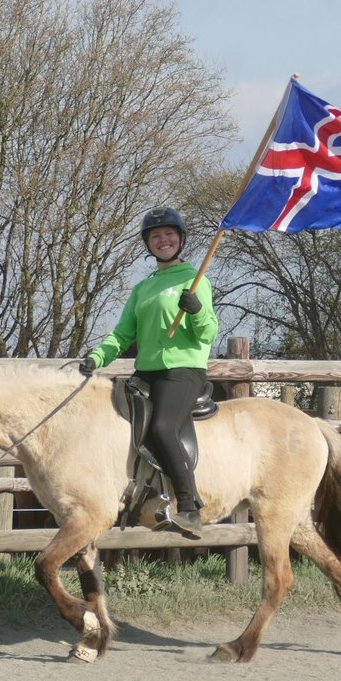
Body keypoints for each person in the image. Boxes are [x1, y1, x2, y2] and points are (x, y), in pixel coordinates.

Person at [79, 206, 219, 538]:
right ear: (148, 243)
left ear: (180, 239)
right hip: (146, 373)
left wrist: (197, 311)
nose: (163, 240)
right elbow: (122, 334)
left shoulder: (195, 279)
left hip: (181, 371)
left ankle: (190, 507)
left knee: (162, 426)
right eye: (156, 236)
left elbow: (208, 333)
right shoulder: (143, 288)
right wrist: (97, 357)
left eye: (169, 234)